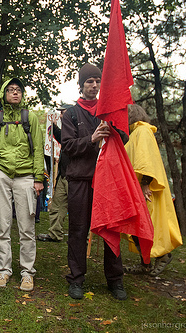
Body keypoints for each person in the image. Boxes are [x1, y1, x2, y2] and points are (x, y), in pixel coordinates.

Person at [61, 64, 126, 300]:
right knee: (78, 230)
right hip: (80, 179)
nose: (94, 85)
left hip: (107, 180)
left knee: (111, 229)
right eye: (89, 81)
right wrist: (92, 138)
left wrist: (115, 131)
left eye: (97, 81)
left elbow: (124, 140)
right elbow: (67, 146)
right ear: (81, 85)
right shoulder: (71, 114)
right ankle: (76, 279)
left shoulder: (110, 111)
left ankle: (115, 280)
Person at [0, 78, 45, 292]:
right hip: (2, 176)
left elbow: (38, 150)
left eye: (18, 90)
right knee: (2, 226)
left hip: (26, 177)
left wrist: (38, 179)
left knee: (27, 227)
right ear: (3, 93)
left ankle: (27, 273)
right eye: (10, 90)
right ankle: (4, 270)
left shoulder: (30, 118)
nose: (15, 93)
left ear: (22, 94)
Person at [124, 104, 182, 276]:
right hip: (138, 188)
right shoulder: (136, 133)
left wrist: (145, 184)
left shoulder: (142, 131)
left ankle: (162, 256)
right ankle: (145, 263)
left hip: (146, 189)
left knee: (147, 225)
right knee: (137, 226)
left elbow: (145, 160)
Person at [38, 104, 72, 242]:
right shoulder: (67, 129)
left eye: (63, 113)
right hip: (63, 175)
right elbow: (63, 139)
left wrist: (55, 129)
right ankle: (55, 233)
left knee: (79, 209)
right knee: (57, 206)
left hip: (75, 176)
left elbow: (68, 140)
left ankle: (83, 236)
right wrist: (53, 127)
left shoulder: (77, 129)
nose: (61, 116)